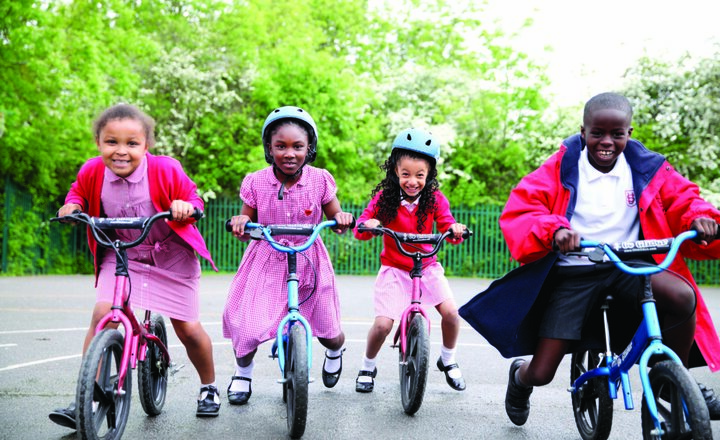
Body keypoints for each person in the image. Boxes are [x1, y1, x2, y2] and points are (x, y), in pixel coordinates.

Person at [459, 92, 720, 426]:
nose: (606, 142)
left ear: (629, 133)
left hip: (628, 266)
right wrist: (556, 230)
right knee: (542, 372)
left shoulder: (647, 168)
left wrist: (700, 217)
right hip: (576, 271)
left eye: (617, 134)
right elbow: (525, 209)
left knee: (683, 295)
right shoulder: (562, 168)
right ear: (583, 132)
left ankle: (674, 380)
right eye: (597, 133)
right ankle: (521, 377)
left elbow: (684, 199)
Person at [48, 104, 221, 429]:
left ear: (146, 145)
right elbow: (78, 193)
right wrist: (72, 206)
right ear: (98, 142)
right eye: (111, 142)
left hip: (170, 255)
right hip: (121, 252)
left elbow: (193, 198)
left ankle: (208, 387)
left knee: (187, 329)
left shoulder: (166, 169)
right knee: (103, 315)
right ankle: (87, 396)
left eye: (132, 143)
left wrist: (186, 206)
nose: (121, 151)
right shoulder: (92, 171)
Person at [223, 106, 354, 405]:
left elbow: (336, 220)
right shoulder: (256, 181)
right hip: (267, 257)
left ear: (309, 148)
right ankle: (242, 373)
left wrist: (342, 219)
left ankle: (335, 352)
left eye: (298, 146)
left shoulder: (320, 179)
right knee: (248, 326)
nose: (289, 153)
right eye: (280, 146)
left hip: (309, 257)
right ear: (269, 148)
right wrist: (241, 223)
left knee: (329, 330)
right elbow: (245, 226)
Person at [353, 127, 468, 393]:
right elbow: (361, 228)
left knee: (452, 314)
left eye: (419, 175)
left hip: (427, 267)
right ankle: (368, 366)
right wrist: (369, 224)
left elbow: (448, 226)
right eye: (405, 174)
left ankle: (448, 359)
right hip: (394, 269)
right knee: (382, 325)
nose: (412, 181)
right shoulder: (385, 199)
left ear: (429, 175)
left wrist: (455, 230)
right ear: (395, 171)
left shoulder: (435, 200)